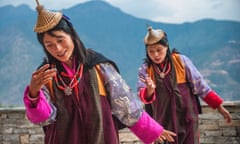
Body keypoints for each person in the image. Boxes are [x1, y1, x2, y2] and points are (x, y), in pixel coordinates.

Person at [23, 1, 176, 144]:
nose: (57, 49)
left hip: (102, 137)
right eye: (49, 45)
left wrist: (153, 130)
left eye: (60, 40)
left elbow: (124, 104)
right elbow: (44, 119)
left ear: (72, 36)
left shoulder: (98, 66)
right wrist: (34, 94)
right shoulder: (45, 75)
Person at [137, 26, 232, 144]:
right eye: (151, 51)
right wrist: (150, 90)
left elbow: (200, 86)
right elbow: (142, 95)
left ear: (166, 47)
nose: (155, 55)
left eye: (159, 49)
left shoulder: (181, 61)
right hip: (163, 121)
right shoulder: (146, 69)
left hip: (187, 118)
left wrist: (219, 106)